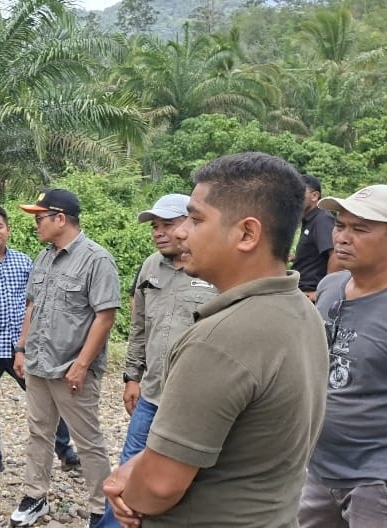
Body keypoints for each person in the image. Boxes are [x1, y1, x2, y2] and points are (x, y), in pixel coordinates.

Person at [104, 152, 328, 527]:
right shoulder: (301, 312)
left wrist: (125, 492)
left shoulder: (218, 340)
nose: (180, 232)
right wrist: (141, 465)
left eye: (195, 220)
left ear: (247, 234)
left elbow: (159, 486)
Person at [99, 194, 218, 527]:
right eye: (155, 226)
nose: (159, 233)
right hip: (151, 394)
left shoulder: (214, 268)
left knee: (183, 477)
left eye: (168, 224)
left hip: (194, 400)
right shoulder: (151, 266)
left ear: (190, 224)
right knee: (127, 470)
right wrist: (131, 377)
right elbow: (139, 328)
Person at [10, 189, 120, 528]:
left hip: (71, 368)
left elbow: (105, 316)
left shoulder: (96, 259)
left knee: (88, 441)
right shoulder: (44, 257)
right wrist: (22, 348)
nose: (35, 224)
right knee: (38, 433)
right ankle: (35, 495)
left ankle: (101, 508)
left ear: (61, 219)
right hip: (39, 364)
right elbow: (32, 305)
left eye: (39, 218)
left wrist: (82, 364)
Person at [0, 205, 80, 480]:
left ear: (8, 229)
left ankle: (65, 451)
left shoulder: (24, 261)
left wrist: (26, 342)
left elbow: (34, 301)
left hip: (23, 345)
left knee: (46, 399)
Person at [298, 184, 387, 527]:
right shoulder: (329, 286)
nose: (343, 238)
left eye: (360, 229)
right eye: (340, 225)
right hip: (318, 468)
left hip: (375, 480)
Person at [292, 174, 339, 302]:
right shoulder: (309, 219)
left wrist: (323, 293)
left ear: (314, 196)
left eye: (299, 193)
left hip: (312, 294)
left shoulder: (322, 219)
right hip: (301, 291)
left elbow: (335, 255)